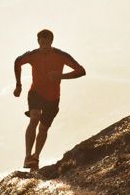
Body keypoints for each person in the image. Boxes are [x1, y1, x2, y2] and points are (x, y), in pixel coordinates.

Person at [14, 29, 86, 170]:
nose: (44, 46)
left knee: (43, 128)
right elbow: (17, 62)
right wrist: (18, 85)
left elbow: (81, 71)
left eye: (47, 43)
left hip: (53, 98)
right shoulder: (33, 55)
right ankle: (28, 156)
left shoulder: (61, 55)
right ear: (38, 42)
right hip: (35, 93)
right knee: (34, 117)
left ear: (51, 42)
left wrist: (60, 76)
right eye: (42, 43)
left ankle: (35, 158)